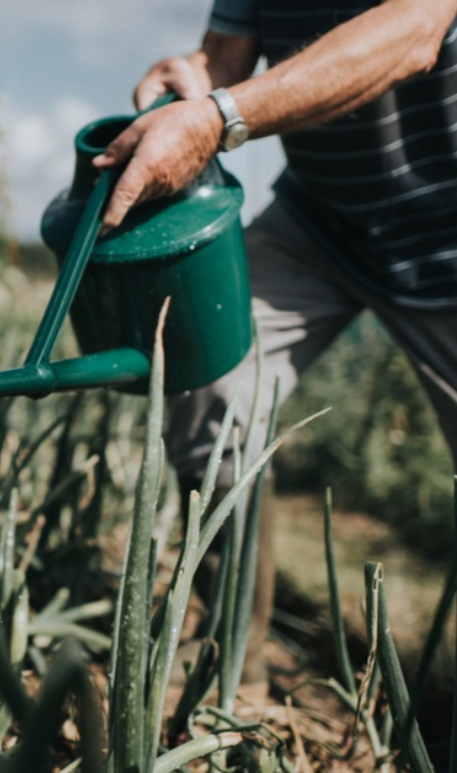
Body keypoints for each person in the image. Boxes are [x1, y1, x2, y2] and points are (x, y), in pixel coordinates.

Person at [92, 0, 457, 683]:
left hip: (447, 236)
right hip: (321, 225)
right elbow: (227, 57)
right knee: (208, 381)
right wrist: (192, 80)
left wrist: (215, 119)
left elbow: (412, 33)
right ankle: (232, 669)